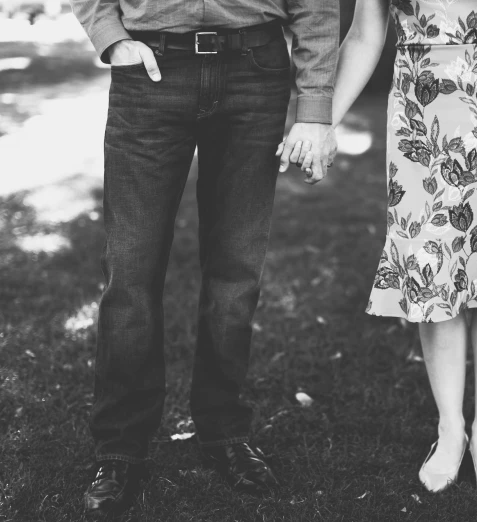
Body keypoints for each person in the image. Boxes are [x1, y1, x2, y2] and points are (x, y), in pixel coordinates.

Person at [279, 0, 477, 498]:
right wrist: (322, 122)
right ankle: (448, 429)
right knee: (431, 269)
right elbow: (365, 36)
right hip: (424, 115)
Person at [70, 0, 339, 516]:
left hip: (254, 72)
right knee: (129, 274)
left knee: (236, 277)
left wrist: (315, 107)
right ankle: (120, 447)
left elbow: (317, 7)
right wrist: (110, 35)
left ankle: (223, 433)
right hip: (149, 70)